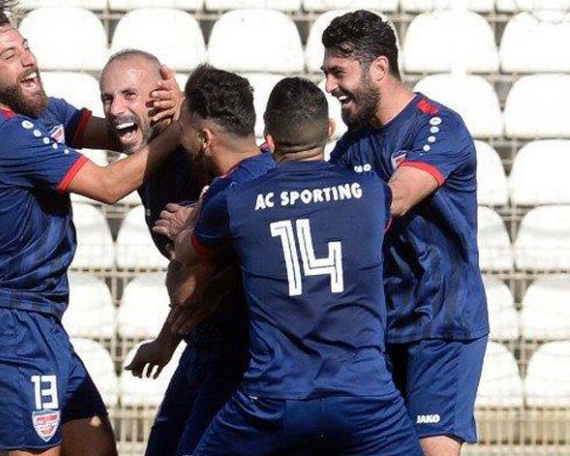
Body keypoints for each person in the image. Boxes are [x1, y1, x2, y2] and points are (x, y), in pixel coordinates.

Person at [0, 0, 183, 455]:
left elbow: (120, 132)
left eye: (25, 47)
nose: (28, 60)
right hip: (8, 326)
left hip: (43, 321)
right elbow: (110, 185)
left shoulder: (42, 113)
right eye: (9, 56)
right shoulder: (5, 135)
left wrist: (166, 109)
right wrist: (186, 125)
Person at [159, 76, 423, 456]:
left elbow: (189, 254)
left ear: (268, 138)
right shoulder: (371, 192)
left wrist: (188, 224)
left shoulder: (236, 200)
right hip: (364, 397)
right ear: (329, 129)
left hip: (272, 400)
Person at [321, 10, 489, 456]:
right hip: (381, 325)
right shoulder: (350, 147)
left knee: (431, 448)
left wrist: (329, 196)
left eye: (338, 72)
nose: (329, 86)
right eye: (326, 73)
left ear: (379, 68)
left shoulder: (438, 126)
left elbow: (396, 197)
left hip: (443, 319)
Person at [117, 62, 254, 456]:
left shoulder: (225, 193)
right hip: (204, 344)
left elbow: (187, 289)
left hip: (241, 355)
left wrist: (185, 238)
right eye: (108, 98)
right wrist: (166, 341)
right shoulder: (247, 177)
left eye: (129, 95)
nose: (116, 108)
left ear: (203, 136)